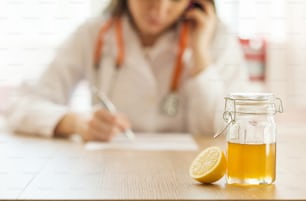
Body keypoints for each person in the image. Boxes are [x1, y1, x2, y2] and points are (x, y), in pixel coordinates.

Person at [6, 0, 249, 141]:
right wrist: (77, 122)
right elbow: (21, 106)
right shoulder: (93, 34)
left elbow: (222, 132)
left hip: (187, 178)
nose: (159, 9)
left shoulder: (217, 39)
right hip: (109, 175)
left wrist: (200, 55)